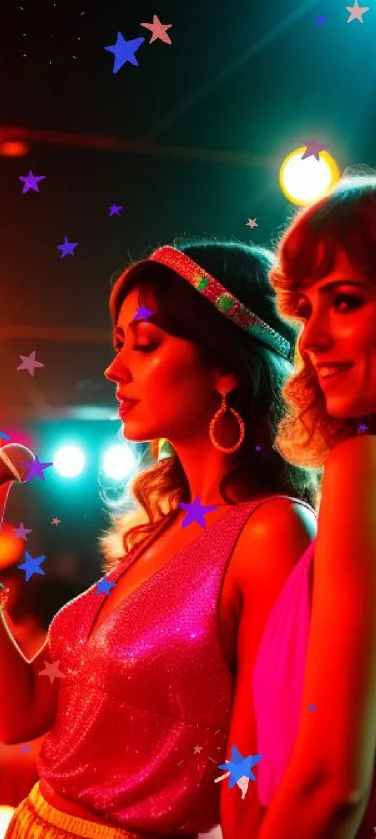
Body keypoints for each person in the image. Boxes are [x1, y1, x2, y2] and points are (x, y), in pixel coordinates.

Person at [0, 239, 319, 839]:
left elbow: (258, 778)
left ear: (225, 366)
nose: (114, 368)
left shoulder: (273, 531)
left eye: (146, 344)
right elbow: (19, 712)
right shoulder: (159, 529)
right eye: (118, 344)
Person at [252, 175, 376, 839]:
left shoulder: (362, 465)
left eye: (346, 300)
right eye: (305, 309)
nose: (310, 338)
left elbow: (331, 784)